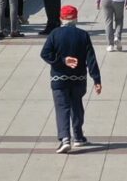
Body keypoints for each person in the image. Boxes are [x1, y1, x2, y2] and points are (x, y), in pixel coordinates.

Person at [38, 14, 105, 153]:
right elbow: (91, 58)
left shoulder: (54, 34)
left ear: (61, 18)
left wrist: (62, 60)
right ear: (75, 19)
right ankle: (78, 136)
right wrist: (96, 79)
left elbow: (45, 53)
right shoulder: (83, 35)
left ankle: (65, 139)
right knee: (76, 106)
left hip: (59, 79)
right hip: (78, 79)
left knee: (62, 108)